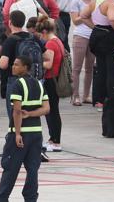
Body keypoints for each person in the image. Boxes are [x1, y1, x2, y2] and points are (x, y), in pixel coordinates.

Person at [0, 55, 50, 202]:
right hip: (36, 134)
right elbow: (46, 109)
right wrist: (31, 114)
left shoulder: (17, 85)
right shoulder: (39, 84)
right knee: (32, 170)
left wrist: (17, 133)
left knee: (10, 169)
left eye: (17, 64)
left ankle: (1, 198)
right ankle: (31, 199)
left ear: (25, 67)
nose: (13, 66)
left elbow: (17, 111)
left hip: (20, 135)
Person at [35, 15, 65, 152]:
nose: (41, 37)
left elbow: (49, 63)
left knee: (52, 111)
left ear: (45, 32)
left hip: (51, 79)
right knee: (52, 111)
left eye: (41, 34)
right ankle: (53, 139)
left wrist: (36, 63)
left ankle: (56, 141)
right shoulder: (57, 40)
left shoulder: (50, 43)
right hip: (55, 78)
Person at [68, 0, 97, 106]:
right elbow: (75, 20)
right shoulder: (76, 1)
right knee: (77, 67)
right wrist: (85, 15)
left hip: (92, 35)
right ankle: (75, 95)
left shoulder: (94, 1)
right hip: (80, 35)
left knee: (90, 67)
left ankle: (86, 94)